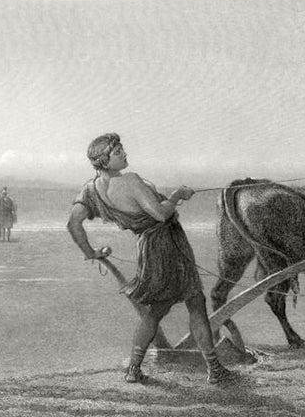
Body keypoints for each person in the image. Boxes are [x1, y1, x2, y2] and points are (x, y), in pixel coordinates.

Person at [67, 133, 235, 385]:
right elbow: (159, 214)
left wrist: (89, 253)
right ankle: (214, 369)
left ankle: (134, 368)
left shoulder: (91, 189)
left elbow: (73, 223)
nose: (124, 153)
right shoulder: (131, 181)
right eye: (117, 151)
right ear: (104, 160)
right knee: (195, 302)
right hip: (168, 245)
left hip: (146, 248)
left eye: (122, 148)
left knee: (156, 310)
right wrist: (177, 195)